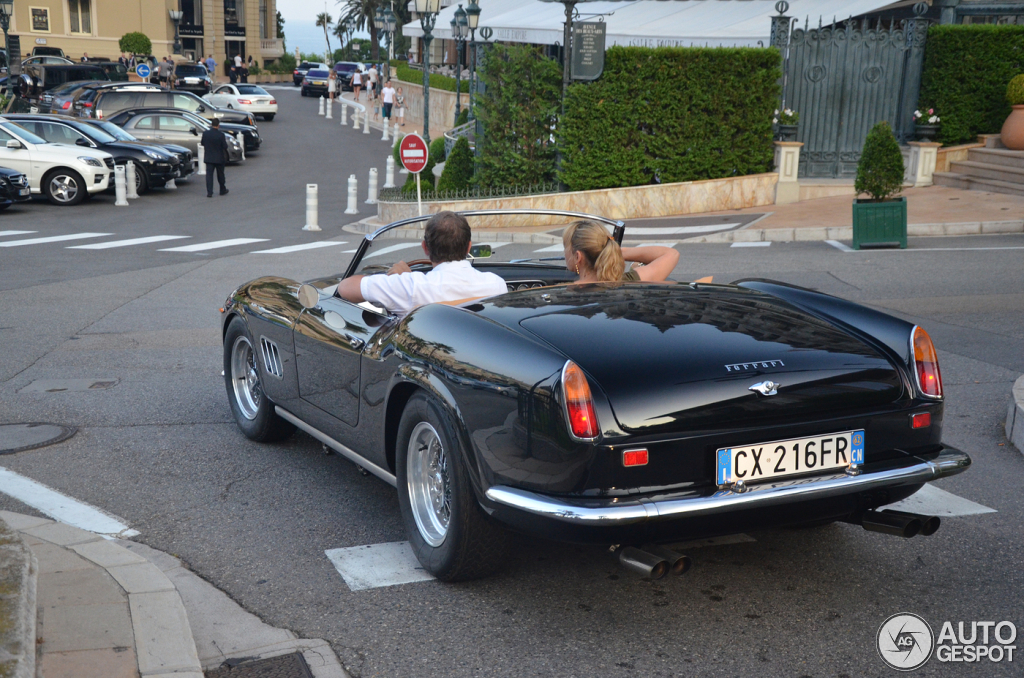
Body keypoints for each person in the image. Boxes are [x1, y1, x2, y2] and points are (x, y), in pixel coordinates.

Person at [335, 211, 507, 318]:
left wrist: (403, 278)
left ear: (425, 248)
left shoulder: (411, 286)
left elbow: (345, 287)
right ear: (468, 246)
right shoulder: (497, 284)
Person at [562, 220, 679, 283]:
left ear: (578, 257)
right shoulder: (629, 281)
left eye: (565, 246)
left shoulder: (559, 294)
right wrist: (615, 252)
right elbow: (671, 254)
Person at [201, 118, 230, 198]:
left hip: (209, 157)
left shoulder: (206, 134)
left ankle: (209, 192)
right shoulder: (221, 135)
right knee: (220, 174)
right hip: (219, 158)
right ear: (218, 125)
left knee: (209, 175)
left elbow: (202, 143)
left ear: (211, 125)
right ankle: (222, 189)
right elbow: (225, 146)